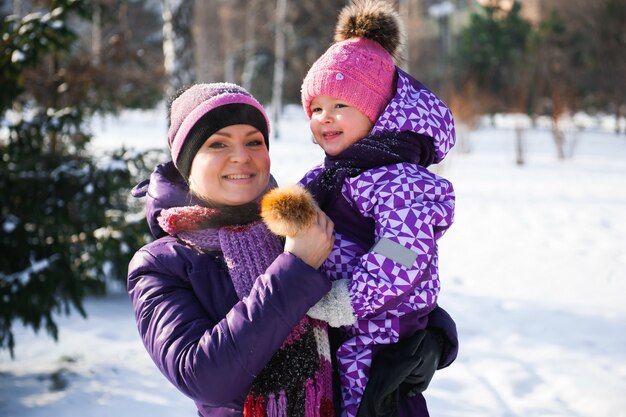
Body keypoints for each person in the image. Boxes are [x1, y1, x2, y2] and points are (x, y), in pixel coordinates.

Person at [127, 82, 457, 417]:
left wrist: (434, 337)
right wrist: (296, 266)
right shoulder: (161, 265)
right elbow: (205, 378)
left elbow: (399, 260)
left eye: (254, 141)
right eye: (217, 144)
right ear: (186, 162)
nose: (241, 156)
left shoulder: (302, 217)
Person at [294, 1, 457, 417]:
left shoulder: (398, 180)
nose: (324, 118)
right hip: (342, 338)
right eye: (316, 108)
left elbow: (404, 252)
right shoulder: (329, 175)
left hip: (378, 342)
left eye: (341, 106)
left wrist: (346, 300)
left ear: (378, 112)